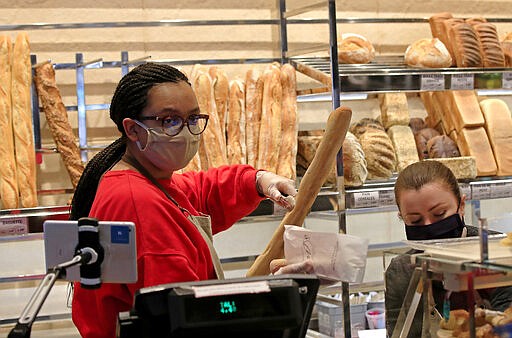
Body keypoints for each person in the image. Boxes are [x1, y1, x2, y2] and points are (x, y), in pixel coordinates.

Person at [69, 62, 297, 338]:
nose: (187, 132)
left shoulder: (149, 178)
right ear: (133, 129)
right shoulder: (138, 202)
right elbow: (185, 318)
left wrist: (259, 180)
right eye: (170, 121)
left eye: (193, 119)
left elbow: (201, 190)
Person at [385, 160, 512, 337]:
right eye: (415, 220)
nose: (429, 225)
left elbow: (506, 323)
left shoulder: (498, 252)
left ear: (461, 205)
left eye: (439, 214)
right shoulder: (401, 271)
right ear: (402, 218)